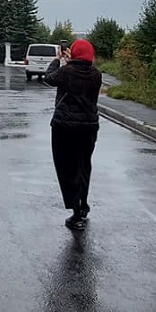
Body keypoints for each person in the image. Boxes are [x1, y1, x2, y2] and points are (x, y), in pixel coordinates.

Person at [42, 38, 102, 230]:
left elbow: (48, 78)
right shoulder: (96, 75)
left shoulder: (66, 71)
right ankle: (83, 205)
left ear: (73, 53)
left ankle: (76, 214)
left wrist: (58, 60)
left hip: (65, 127)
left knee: (67, 168)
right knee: (84, 166)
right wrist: (71, 61)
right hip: (89, 127)